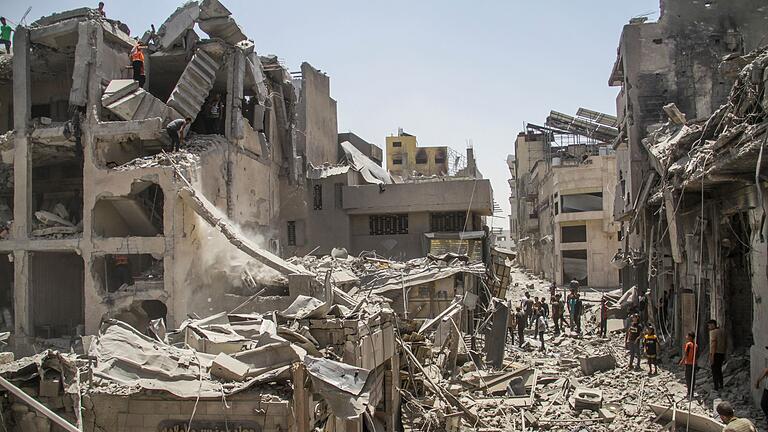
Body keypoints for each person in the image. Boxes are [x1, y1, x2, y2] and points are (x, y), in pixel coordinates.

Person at [708, 319, 727, 391]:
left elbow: (713, 344)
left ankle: (716, 387)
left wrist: (712, 356)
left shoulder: (713, 332)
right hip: (722, 353)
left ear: (713, 325)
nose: (708, 327)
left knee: (714, 371)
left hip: (715, 353)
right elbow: (725, 343)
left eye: (709, 325)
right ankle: (721, 385)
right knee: (719, 370)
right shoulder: (722, 331)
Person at [679, 331, 698, 398]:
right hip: (694, 363)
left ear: (690, 337)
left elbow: (686, 354)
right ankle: (691, 392)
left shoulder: (688, 344)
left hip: (689, 363)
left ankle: (689, 392)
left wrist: (682, 361)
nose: (686, 337)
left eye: (687, 336)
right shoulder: (695, 345)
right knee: (693, 378)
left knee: (688, 378)